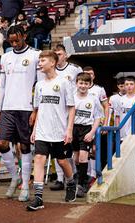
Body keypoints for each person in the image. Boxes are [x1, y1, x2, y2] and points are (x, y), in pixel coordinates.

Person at [0, 25, 41, 202]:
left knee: (24, 147)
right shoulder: (5, 57)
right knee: (2, 143)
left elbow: (39, 86)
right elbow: (3, 86)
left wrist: (35, 110)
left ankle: (25, 184)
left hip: (26, 108)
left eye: (17, 40)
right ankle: (14, 176)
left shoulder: (35, 55)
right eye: (11, 41)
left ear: (25, 37)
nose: (14, 43)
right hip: (8, 107)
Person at [27, 50, 77, 211]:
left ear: (53, 62)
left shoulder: (64, 82)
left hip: (59, 131)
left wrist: (69, 130)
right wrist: (35, 130)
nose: (40, 63)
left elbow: (71, 108)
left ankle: (71, 183)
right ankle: (39, 198)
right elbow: (39, 109)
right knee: (39, 159)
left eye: (43, 60)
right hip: (42, 130)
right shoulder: (39, 85)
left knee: (62, 161)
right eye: (39, 60)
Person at [50, 44, 83, 191]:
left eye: (60, 53)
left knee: (68, 146)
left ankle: (73, 174)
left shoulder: (75, 69)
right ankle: (59, 178)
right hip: (55, 112)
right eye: (55, 54)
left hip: (70, 111)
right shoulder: (51, 70)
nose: (58, 56)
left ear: (66, 55)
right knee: (56, 145)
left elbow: (80, 87)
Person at [72, 72, 103, 197]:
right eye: (81, 83)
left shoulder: (93, 98)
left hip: (86, 129)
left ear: (90, 85)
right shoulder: (72, 97)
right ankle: (80, 176)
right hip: (73, 128)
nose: (83, 86)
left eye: (86, 83)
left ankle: (81, 184)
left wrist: (92, 132)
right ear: (76, 83)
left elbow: (98, 118)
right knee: (76, 157)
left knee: (83, 157)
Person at [83, 66, 109, 187]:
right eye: (86, 73)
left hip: (96, 123)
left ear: (94, 76)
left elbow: (106, 106)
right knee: (82, 152)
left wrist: (106, 123)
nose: (89, 75)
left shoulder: (99, 89)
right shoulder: (78, 88)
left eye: (91, 73)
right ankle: (86, 174)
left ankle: (93, 175)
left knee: (94, 150)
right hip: (83, 123)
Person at [114, 76, 135, 142]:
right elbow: (117, 116)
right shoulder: (119, 100)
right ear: (124, 86)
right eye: (127, 84)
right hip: (123, 135)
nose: (129, 86)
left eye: (131, 84)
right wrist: (118, 130)